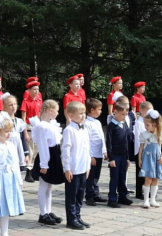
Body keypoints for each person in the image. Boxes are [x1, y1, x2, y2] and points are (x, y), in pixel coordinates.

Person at [0, 112, 25, 236]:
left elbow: (15, 163)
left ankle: (5, 232)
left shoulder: (11, 146)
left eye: (10, 131)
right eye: (6, 131)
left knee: (7, 206)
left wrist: (19, 179)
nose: (9, 134)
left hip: (10, 177)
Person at [31, 100, 65, 225]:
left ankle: (48, 211)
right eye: (56, 110)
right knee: (44, 185)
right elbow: (43, 146)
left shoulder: (51, 124)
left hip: (54, 156)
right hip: (47, 157)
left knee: (49, 186)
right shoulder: (41, 126)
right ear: (50, 111)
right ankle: (42, 213)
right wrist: (44, 164)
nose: (58, 113)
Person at [62, 101, 91, 230]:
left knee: (80, 194)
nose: (83, 115)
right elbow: (66, 150)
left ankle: (78, 216)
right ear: (71, 115)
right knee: (72, 195)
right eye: (80, 113)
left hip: (82, 167)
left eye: (84, 113)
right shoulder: (69, 130)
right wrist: (67, 168)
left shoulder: (84, 129)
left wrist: (88, 166)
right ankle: (71, 219)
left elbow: (87, 149)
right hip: (73, 168)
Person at [139, 110, 162, 208]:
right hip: (147, 158)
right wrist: (139, 159)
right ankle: (145, 200)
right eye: (145, 124)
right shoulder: (144, 134)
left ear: (154, 124)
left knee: (155, 180)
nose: (145, 127)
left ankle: (153, 200)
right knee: (148, 179)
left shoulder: (161, 135)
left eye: (147, 125)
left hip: (157, 159)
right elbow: (141, 147)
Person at [106, 102, 133, 208]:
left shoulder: (124, 124)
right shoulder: (111, 126)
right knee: (115, 177)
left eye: (125, 115)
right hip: (115, 156)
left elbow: (126, 142)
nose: (124, 117)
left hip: (123, 156)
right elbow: (109, 143)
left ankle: (123, 196)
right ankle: (112, 198)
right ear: (115, 112)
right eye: (122, 114)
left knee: (122, 176)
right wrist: (111, 158)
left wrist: (127, 157)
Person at [84, 98, 108, 206]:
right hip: (92, 154)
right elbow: (87, 140)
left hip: (99, 153)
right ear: (92, 110)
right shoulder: (86, 123)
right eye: (99, 109)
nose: (101, 111)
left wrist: (104, 151)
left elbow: (102, 138)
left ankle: (95, 193)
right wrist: (91, 156)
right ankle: (89, 196)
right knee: (90, 176)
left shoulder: (97, 122)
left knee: (96, 175)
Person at [20, 80, 42, 182]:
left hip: (38, 126)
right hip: (29, 126)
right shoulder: (26, 101)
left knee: (37, 149)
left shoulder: (39, 101)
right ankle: (28, 173)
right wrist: (24, 132)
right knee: (30, 150)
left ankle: (33, 171)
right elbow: (23, 118)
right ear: (29, 90)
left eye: (37, 89)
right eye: (34, 89)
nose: (36, 91)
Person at [2, 94, 27, 171]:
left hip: (17, 148)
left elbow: (22, 138)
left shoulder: (19, 121)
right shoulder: (2, 120)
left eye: (15, 104)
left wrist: (26, 153)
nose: (13, 106)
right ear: (4, 107)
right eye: (10, 105)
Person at [134, 101, 153, 199]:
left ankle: (147, 190)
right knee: (140, 173)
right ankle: (139, 192)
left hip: (148, 150)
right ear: (141, 110)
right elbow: (138, 138)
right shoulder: (139, 123)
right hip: (141, 151)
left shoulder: (148, 122)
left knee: (146, 172)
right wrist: (139, 153)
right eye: (148, 110)